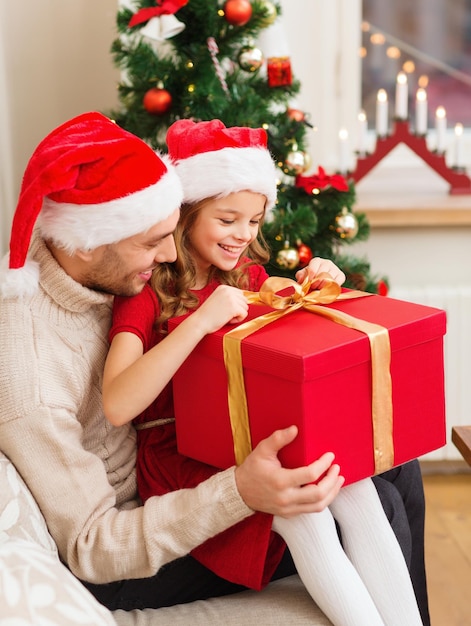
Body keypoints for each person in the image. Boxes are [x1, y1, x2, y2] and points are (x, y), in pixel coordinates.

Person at [0, 112, 429, 625]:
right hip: (129, 546)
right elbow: (95, 544)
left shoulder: (111, 273)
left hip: (196, 456)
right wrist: (240, 493)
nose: (167, 253)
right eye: (150, 241)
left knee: (387, 467)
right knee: (364, 499)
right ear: (90, 241)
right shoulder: (33, 373)